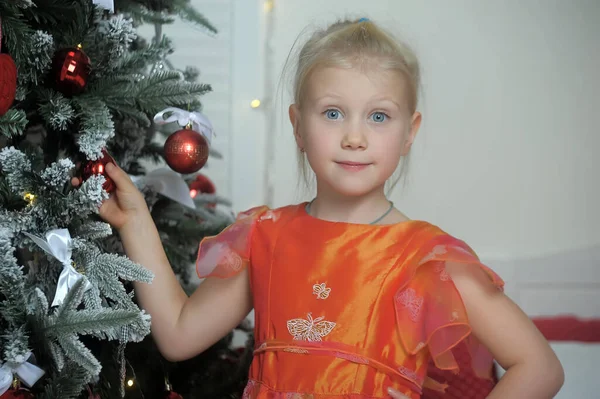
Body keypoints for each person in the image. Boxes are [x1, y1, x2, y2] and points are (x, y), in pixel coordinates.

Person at [93, 18, 564, 399]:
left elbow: (540, 368)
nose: (354, 137)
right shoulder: (265, 237)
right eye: (333, 113)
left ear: (409, 132)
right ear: (298, 125)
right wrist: (136, 224)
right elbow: (177, 335)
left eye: (378, 117)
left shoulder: (427, 259)